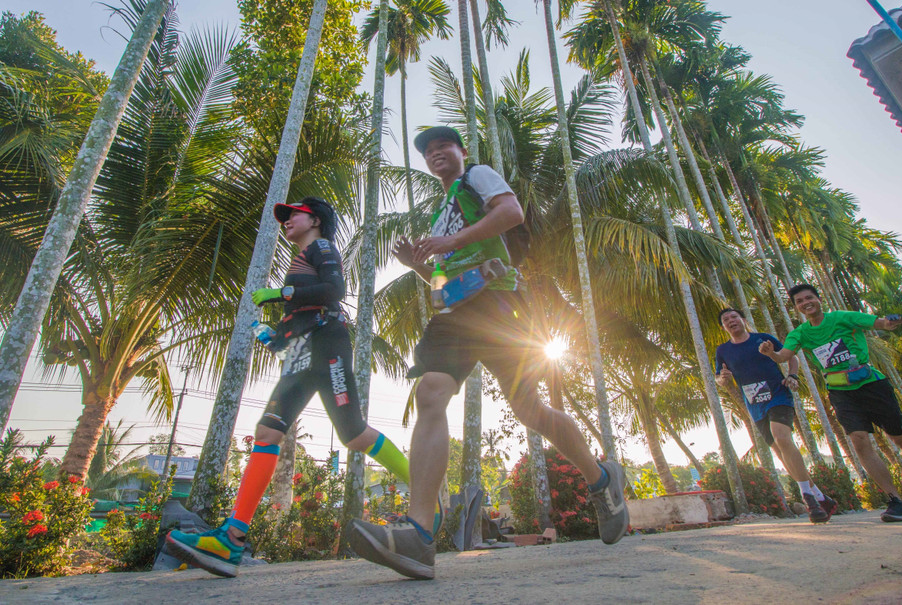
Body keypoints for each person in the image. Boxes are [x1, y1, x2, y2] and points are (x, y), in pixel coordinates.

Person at [346, 126, 629, 580]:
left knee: (529, 409)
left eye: (444, 146)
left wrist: (449, 244)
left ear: (460, 152)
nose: (436, 153)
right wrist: (419, 265)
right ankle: (419, 536)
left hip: (501, 304)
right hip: (457, 313)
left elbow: (511, 213)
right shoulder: (441, 215)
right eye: (429, 151)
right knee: (431, 394)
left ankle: (600, 478)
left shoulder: (478, 176)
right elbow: (441, 287)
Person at [166, 198, 417, 578]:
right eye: (284, 217)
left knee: (353, 434)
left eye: (293, 214)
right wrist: (274, 336)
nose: (286, 221)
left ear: (314, 220)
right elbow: (299, 317)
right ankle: (231, 541)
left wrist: (279, 295)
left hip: (328, 345)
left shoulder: (321, 247)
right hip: (300, 352)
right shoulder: (299, 260)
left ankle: (423, 485)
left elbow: (333, 291)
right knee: (267, 432)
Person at [759, 283, 902, 522]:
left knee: (901, 439)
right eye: (800, 301)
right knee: (860, 441)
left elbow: (882, 323)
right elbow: (783, 356)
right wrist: (770, 353)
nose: (805, 303)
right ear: (797, 307)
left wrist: (893, 320)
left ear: (818, 299)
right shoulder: (799, 333)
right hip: (841, 393)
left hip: (872, 385)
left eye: (809, 298)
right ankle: (897, 501)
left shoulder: (844, 318)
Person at [714, 308, 837, 523]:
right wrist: (723, 379)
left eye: (734, 317)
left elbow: (791, 358)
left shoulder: (763, 339)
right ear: (723, 327)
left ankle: (808, 498)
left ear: (743, 320)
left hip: (778, 395)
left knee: (782, 437)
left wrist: (792, 376)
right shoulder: (723, 350)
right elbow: (720, 379)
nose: (731, 321)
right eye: (726, 320)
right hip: (754, 404)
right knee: (780, 452)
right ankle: (820, 497)